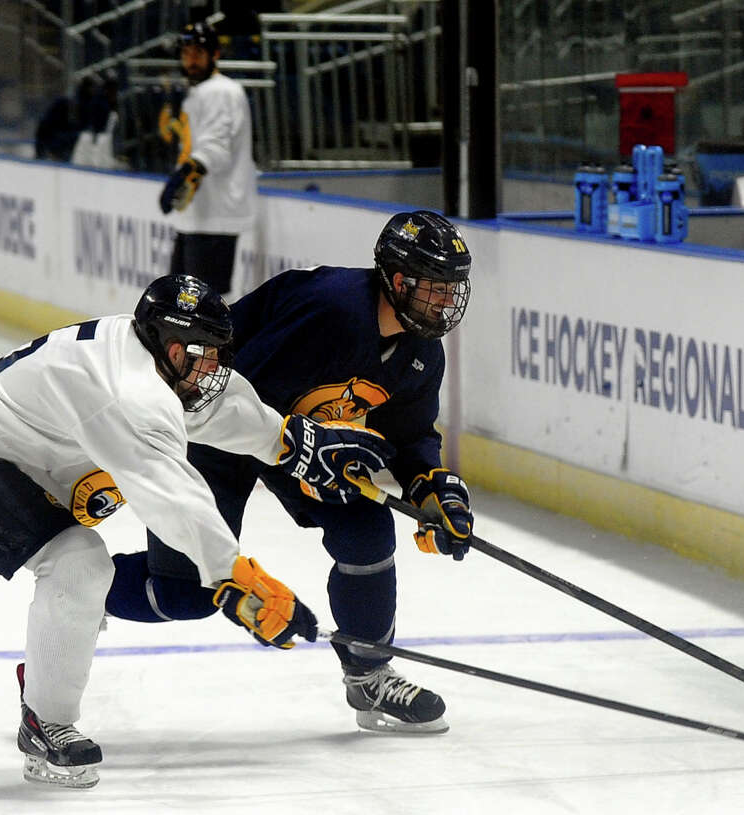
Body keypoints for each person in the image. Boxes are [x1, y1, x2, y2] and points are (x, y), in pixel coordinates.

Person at [0, 273, 393, 788]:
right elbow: (172, 495)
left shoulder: (157, 360)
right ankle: (45, 722)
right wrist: (236, 577)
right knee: (78, 562)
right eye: (205, 358)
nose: (214, 370)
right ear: (173, 349)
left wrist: (293, 444)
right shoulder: (126, 391)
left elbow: (226, 408)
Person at [105, 210, 475, 734]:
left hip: (304, 439)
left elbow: (410, 433)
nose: (445, 301)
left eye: (452, 289)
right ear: (396, 281)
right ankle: (80, 588)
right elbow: (227, 396)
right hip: (217, 428)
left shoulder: (421, 351)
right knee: (184, 595)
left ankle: (369, 675)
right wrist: (304, 450)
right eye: (434, 288)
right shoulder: (331, 308)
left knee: (368, 530)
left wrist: (434, 491)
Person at [157, 20, 257, 297]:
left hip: (216, 215)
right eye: (186, 53)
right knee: (181, 301)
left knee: (202, 304)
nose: (190, 59)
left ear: (215, 55)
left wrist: (182, 175)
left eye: (198, 53)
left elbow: (216, 148)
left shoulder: (221, 91)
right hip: (199, 215)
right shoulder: (198, 92)